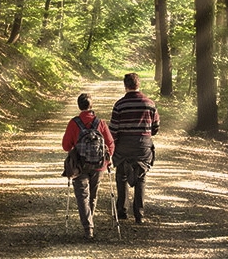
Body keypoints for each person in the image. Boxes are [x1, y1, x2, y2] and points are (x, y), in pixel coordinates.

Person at [109, 73, 160, 224]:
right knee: (141, 177)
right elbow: (155, 128)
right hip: (143, 145)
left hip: (124, 145)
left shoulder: (119, 105)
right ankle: (139, 214)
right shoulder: (150, 104)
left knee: (122, 176)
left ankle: (122, 211)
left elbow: (113, 130)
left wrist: (114, 145)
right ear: (139, 85)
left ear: (125, 86)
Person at [62, 93, 114, 239]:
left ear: (79, 106)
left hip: (79, 166)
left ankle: (88, 228)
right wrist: (107, 160)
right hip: (98, 165)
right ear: (91, 105)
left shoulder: (74, 123)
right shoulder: (101, 123)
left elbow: (66, 146)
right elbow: (110, 143)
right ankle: (90, 221)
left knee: (82, 196)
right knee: (93, 195)